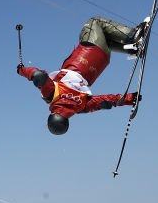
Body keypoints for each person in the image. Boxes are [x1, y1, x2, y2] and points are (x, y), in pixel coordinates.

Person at [17, 16, 149, 135]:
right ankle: (133, 36)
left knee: (106, 39)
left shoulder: (80, 107)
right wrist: (22, 71)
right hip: (85, 58)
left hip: (99, 65)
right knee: (95, 23)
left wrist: (129, 98)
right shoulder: (52, 95)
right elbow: (39, 76)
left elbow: (104, 101)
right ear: (53, 114)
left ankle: (133, 48)